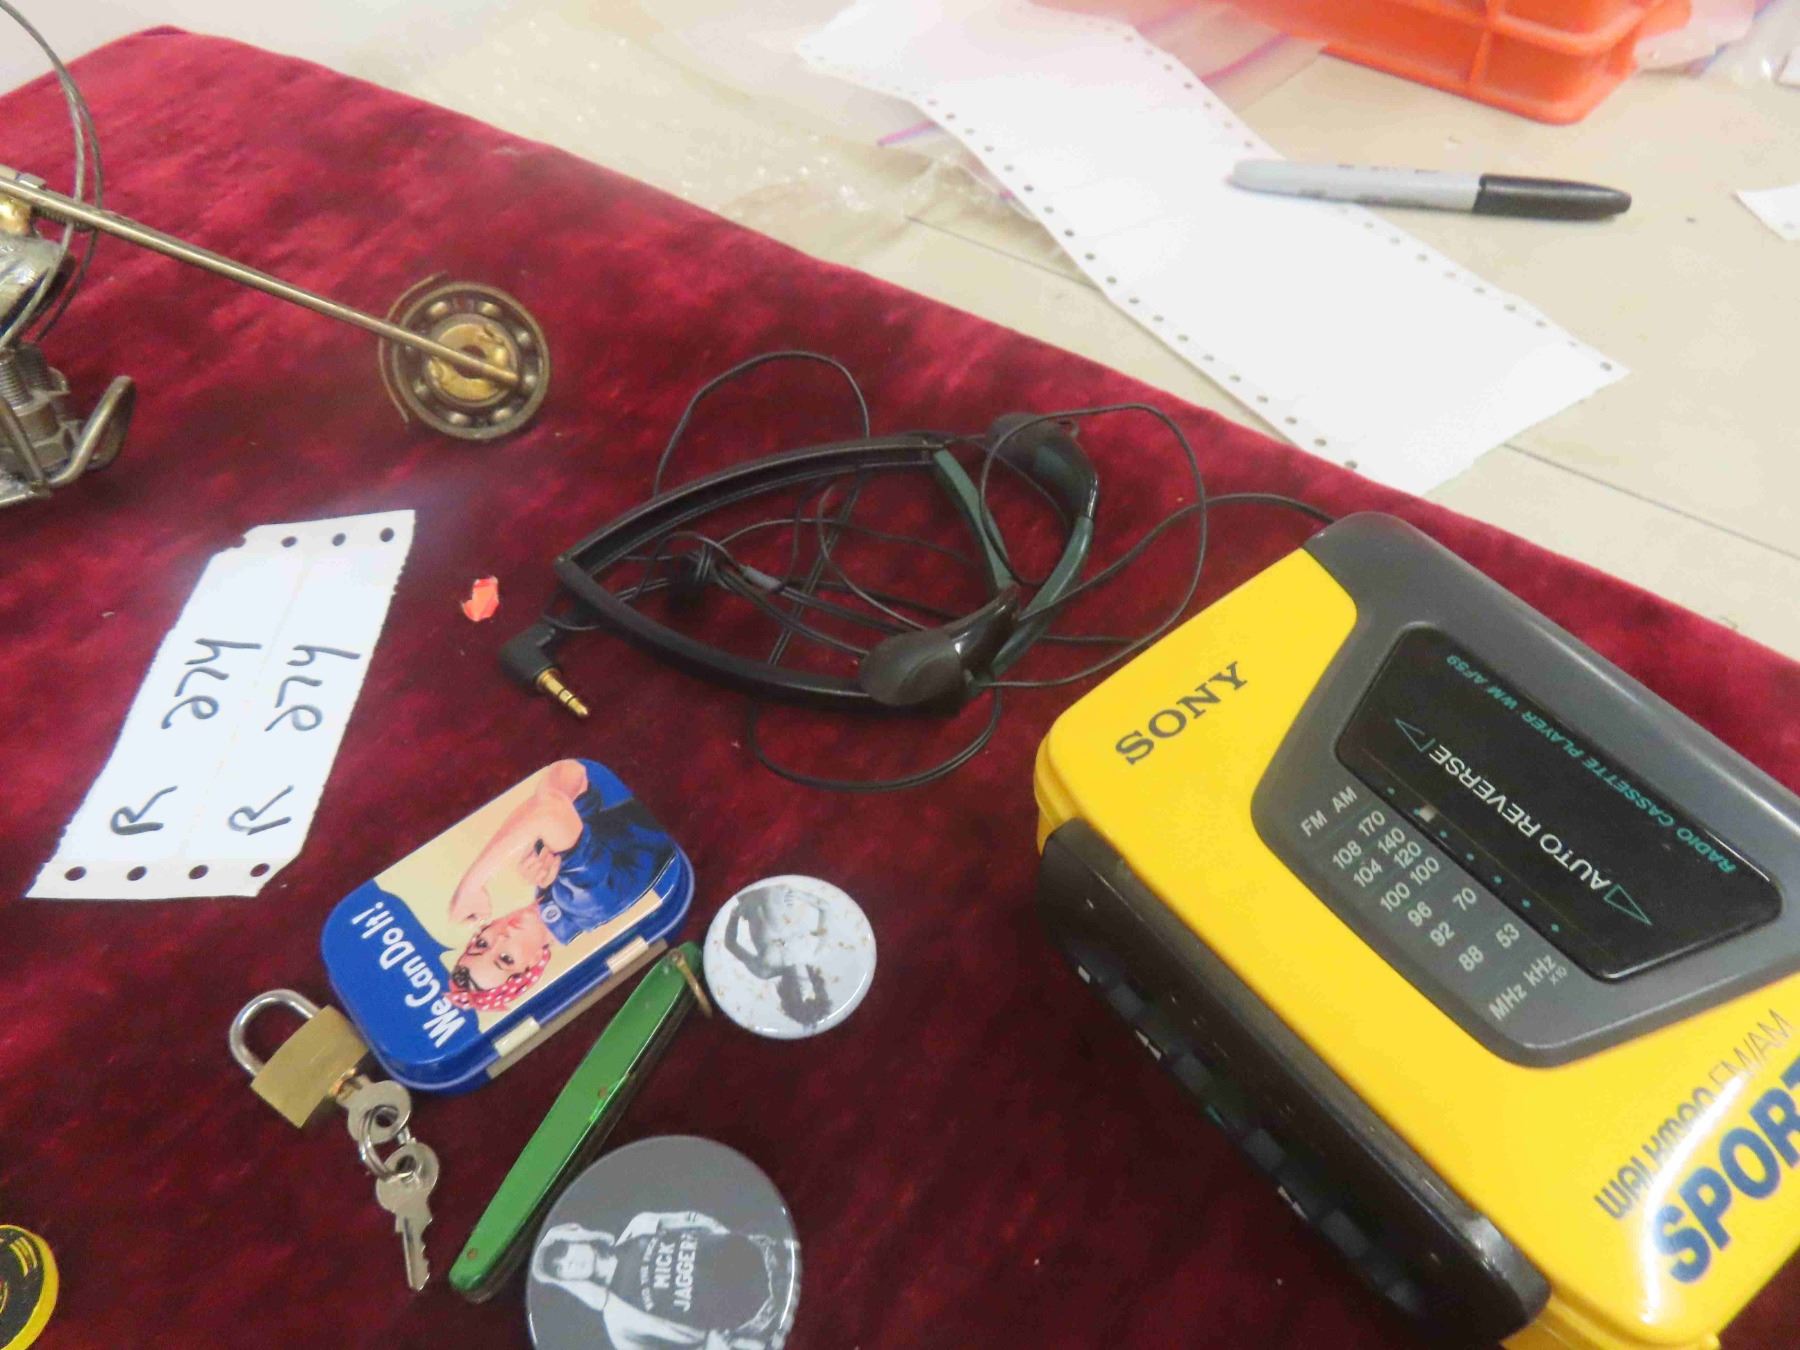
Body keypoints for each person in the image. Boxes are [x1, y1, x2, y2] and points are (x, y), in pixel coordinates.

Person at [446, 759, 674, 1012]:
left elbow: (571, 771)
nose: (500, 938)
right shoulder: (587, 902)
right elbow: (549, 808)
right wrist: (471, 885)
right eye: (505, 958)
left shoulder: (550, 887)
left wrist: (532, 838)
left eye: (482, 944)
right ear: (533, 964)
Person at [531, 1214, 796, 1350]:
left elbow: (695, 1221)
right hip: (768, 1320)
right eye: (559, 1269)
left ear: (577, 1236)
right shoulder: (619, 1324)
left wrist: (726, 1238)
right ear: (566, 1282)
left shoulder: (641, 1226)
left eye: (564, 1251)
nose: (569, 1263)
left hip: (777, 1256)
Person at [721, 885, 834, 1028]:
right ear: (816, 989)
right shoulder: (815, 950)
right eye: (809, 998)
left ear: (789, 998)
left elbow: (730, 944)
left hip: (744, 892)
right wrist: (800, 894)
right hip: (775, 884)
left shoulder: (764, 970)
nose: (803, 993)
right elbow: (826, 908)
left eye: (798, 1000)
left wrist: (734, 917)